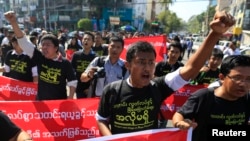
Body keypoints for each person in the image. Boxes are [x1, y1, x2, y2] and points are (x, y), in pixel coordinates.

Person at [95, 11, 235, 136]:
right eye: (141, 62)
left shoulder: (158, 87)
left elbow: (190, 69)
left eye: (151, 62)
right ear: (128, 65)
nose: (147, 67)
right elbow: (101, 119)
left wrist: (215, 34)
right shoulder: (112, 90)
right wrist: (112, 139)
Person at [172, 55, 250, 141]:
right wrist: (180, 123)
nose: (243, 84)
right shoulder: (203, 97)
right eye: (237, 78)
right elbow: (179, 114)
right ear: (222, 78)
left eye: (249, 79)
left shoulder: (247, 99)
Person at [5, 11, 77, 100]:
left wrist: (69, 100)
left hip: (58, 104)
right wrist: (13, 22)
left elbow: (72, 82)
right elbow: (23, 42)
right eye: (43, 45)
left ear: (56, 48)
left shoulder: (65, 63)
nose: (44, 47)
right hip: (41, 103)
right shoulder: (39, 57)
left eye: (48, 45)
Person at [71, 31, 97, 98]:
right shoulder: (76, 55)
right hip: (79, 87)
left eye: (88, 39)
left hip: (90, 88)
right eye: (84, 39)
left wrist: (90, 88)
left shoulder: (96, 57)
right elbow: (72, 70)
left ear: (92, 42)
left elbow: (96, 76)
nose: (86, 41)